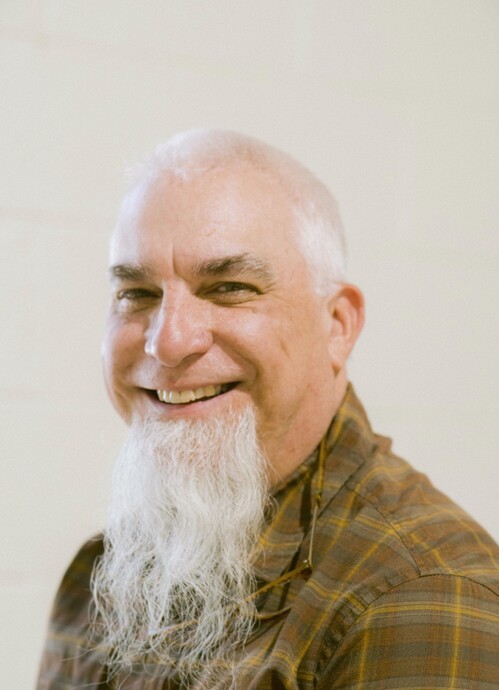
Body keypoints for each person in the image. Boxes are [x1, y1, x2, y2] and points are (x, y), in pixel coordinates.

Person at [37, 130, 499, 689]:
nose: (168, 342)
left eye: (229, 287)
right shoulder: (99, 575)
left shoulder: (420, 596)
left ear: (337, 325)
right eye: (137, 294)